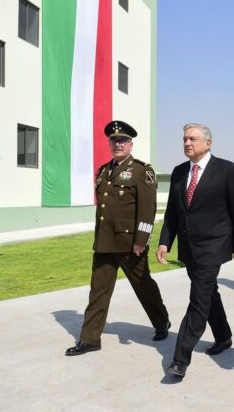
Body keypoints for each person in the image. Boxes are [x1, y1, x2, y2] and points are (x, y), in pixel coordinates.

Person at [66, 121, 170, 356]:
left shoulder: (143, 171)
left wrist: (141, 239)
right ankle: (90, 338)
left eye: (122, 141)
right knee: (98, 291)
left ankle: (161, 321)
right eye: (114, 141)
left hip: (129, 244)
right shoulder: (103, 170)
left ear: (131, 144)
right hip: (104, 243)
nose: (117, 144)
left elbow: (147, 209)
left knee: (143, 286)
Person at [157, 123, 234, 378]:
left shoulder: (227, 169)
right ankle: (223, 336)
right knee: (209, 293)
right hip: (189, 247)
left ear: (208, 143)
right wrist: (165, 241)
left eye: (193, 139)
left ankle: (180, 358)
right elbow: (172, 214)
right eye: (185, 139)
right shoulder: (178, 173)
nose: (187, 143)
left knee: (198, 299)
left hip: (214, 244)